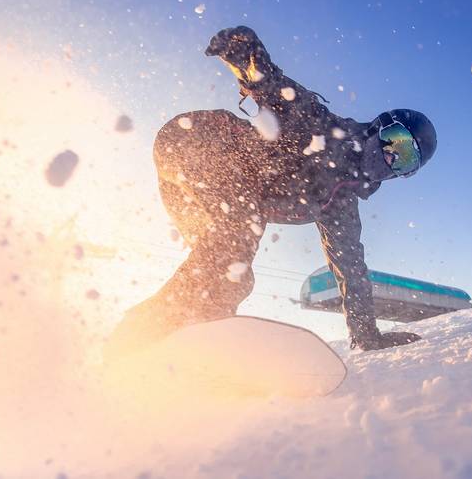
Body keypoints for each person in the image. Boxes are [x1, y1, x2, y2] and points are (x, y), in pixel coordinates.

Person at [111, 26, 436, 352]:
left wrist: (367, 335)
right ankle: (159, 331)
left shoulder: (340, 205)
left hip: (197, 188)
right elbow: (278, 89)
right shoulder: (325, 128)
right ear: (379, 126)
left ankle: (162, 340)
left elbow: (352, 272)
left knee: (228, 276)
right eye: (396, 140)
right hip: (197, 143)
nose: (391, 156)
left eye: (405, 160)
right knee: (233, 248)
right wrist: (248, 62)